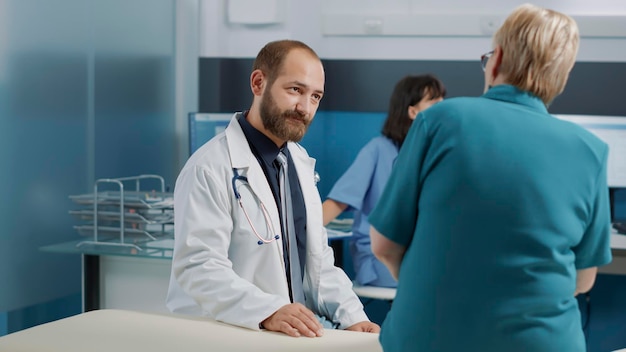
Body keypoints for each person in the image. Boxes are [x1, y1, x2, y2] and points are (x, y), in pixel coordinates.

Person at [368, 4, 612, 352]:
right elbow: (583, 279)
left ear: (495, 60)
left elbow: (384, 244)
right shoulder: (591, 150)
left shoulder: (438, 121)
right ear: (562, 76)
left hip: (429, 338)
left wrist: (430, 285)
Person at [166, 39, 380, 338]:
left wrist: (353, 316)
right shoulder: (209, 167)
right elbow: (199, 268)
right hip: (230, 334)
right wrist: (267, 310)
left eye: (315, 96)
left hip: (290, 336)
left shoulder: (299, 163)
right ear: (258, 83)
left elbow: (317, 263)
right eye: (295, 90)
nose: (305, 107)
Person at [322, 74, 446, 288]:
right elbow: (339, 201)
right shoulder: (378, 150)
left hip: (420, 254)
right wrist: (298, 236)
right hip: (379, 259)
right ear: (412, 111)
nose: (443, 109)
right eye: (434, 103)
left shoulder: (436, 154)